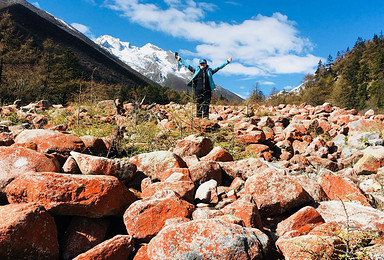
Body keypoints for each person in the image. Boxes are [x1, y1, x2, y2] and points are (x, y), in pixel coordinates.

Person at [175, 54, 232, 118]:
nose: (202, 65)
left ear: (206, 64)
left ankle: (205, 118)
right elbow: (187, 65)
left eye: (203, 64)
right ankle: (198, 118)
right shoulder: (196, 70)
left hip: (207, 91)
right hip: (198, 90)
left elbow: (219, 67)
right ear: (199, 64)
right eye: (201, 64)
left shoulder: (210, 71)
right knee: (198, 105)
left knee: (206, 105)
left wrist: (227, 61)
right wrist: (180, 59)